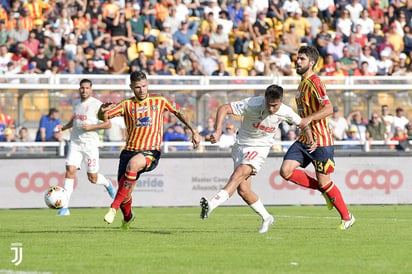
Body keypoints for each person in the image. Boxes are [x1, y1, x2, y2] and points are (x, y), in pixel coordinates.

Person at [200, 84, 316, 233]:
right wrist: (217, 131)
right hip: (241, 145)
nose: (271, 109)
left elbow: (303, 124)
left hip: (260, 148)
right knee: (243, 190)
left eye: (275, 105)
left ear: (281, 101)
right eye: (269, 104)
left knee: (239, 173)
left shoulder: (286, 111)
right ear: (264, 99)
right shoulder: (253, 104)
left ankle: (211, 205)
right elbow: (223, 108)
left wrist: (311, 139)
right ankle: (267, 217)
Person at [99, 71, 201, 230]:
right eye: (138, 87)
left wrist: (193, 131)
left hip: (151, 151)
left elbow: (179, 112)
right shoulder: (126, 104)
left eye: (144, 86)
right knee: (125, 193)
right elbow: (103, 117)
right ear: (131, 87)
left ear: (148, 84)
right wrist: (102, 110)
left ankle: (112, 208)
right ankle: (128, 218)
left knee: (133, 165)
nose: (142, 90)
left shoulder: (159, 100)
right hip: (129, 151)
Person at [279, 45, 355, 230]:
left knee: (324, 181)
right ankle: (324, 191)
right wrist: (305, 128)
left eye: (302, 59)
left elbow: (328, 109)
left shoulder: (315, 82)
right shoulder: (301, 86)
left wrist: (308, 120)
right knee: (285, 171)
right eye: (298, 58)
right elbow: (305, 114)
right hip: (306, 140)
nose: (297, 61)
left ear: (311, 63)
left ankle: (347, 217)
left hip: (322, 142)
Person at [56, 79, 116, 216]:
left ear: (91, 89)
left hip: (90, 145)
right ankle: (64, 207)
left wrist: (92, 127)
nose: (84, 90)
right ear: (79, 89)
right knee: (70, 170)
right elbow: (75, 119)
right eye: (82, 88)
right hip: (75, 143)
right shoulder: (76, 103)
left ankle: (107, 183)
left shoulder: (97, 105)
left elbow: (108, 124)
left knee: (93, 178)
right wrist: (65, 127)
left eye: (87, 88)